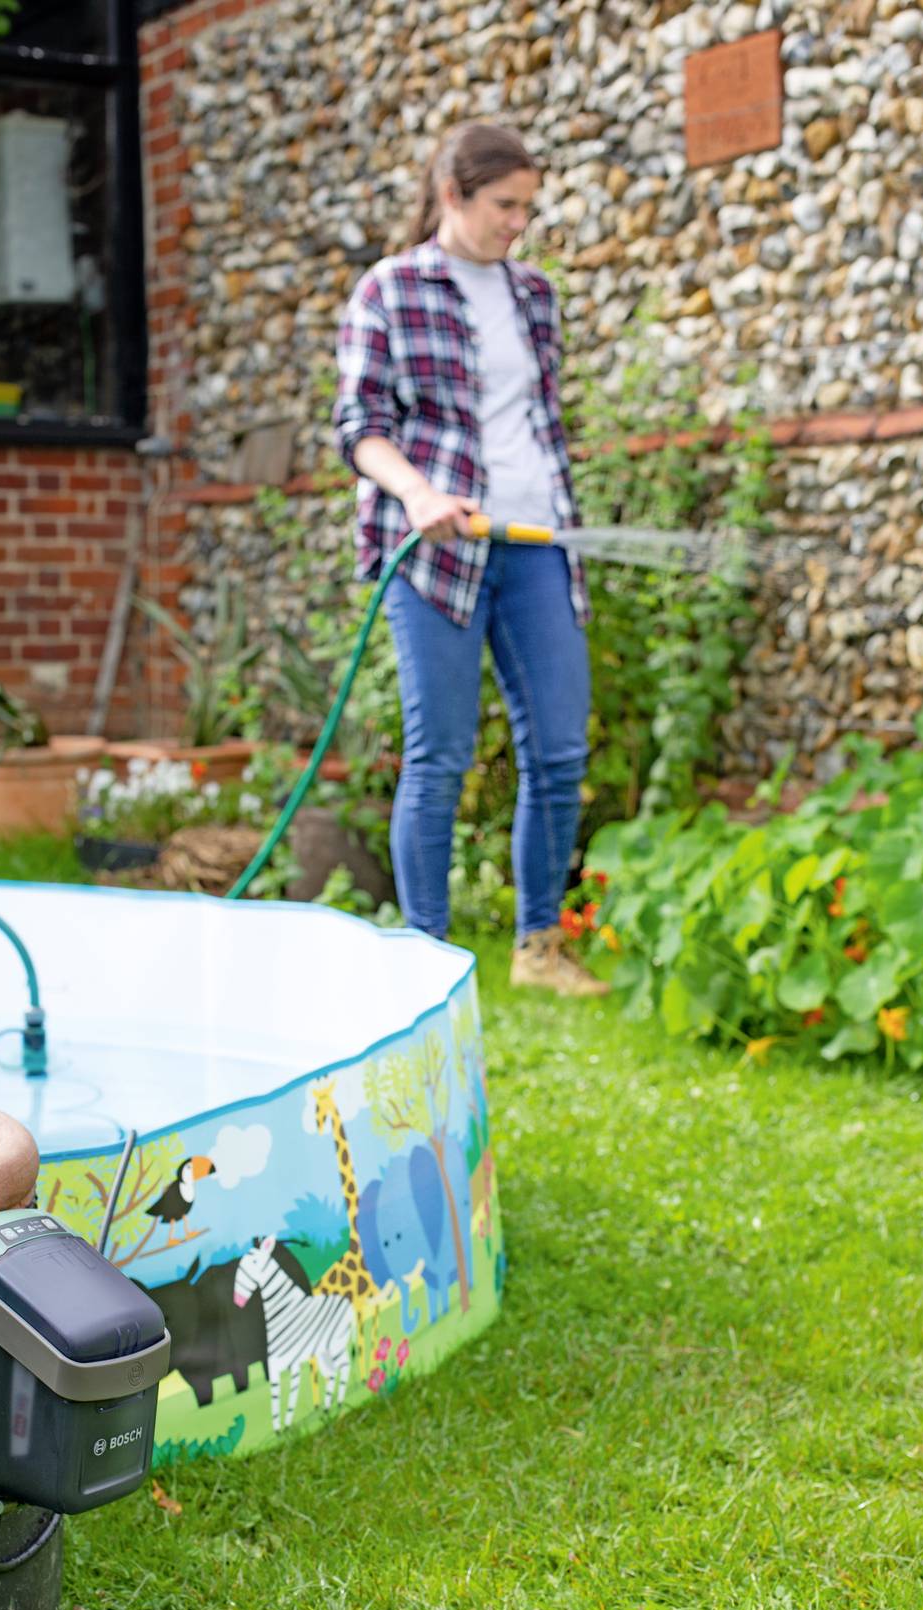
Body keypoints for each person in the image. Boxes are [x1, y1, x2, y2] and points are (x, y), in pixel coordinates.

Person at [333, 120, 608, 997]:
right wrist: (416, 493)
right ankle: (427, 963)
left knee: (560, 749)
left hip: (534, 543)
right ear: (453, 196)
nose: (516, 224)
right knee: (441, 753)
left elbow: (539, 423)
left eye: (527, 208)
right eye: (503, 206)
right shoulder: (391, 289)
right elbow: (360, 430)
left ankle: (539, 947)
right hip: (437, 550)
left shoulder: (534, 296)